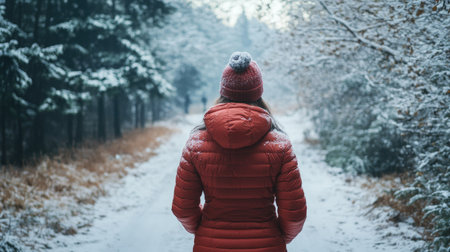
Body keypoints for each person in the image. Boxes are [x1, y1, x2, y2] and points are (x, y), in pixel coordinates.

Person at [172, 52, 307, 252]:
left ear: (223, 91)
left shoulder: (196, 144)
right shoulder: (280, 145)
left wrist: (205, 229)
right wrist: (278, 237)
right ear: (258, 93)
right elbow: (295, 215)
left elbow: (183, 209)